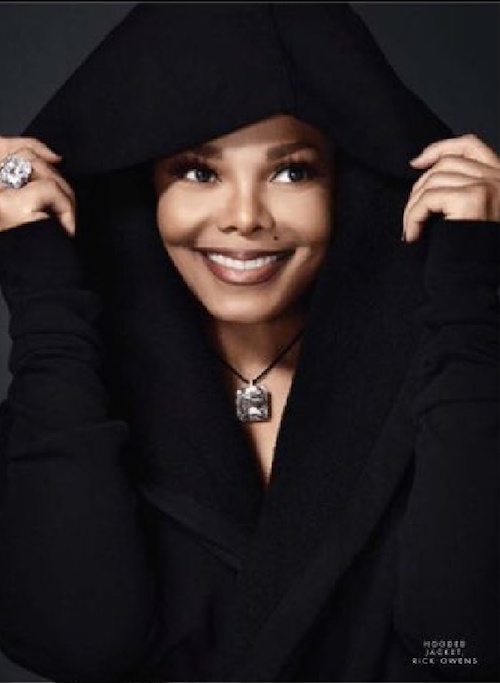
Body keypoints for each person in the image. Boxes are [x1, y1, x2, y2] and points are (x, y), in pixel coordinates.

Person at [0, 4, 498, 682]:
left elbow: (465, 645)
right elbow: (75, 644)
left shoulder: (447, 371)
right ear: (144, 186)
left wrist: (470, 295)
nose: (244, 218)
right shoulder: (78, 384)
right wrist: (44, 292)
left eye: (292, 171)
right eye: (197, 171)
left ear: (346, 185)